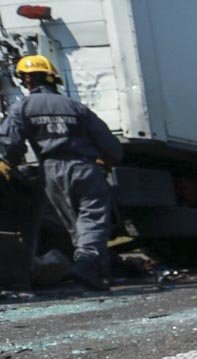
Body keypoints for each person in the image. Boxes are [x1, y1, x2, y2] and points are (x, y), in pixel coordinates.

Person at [0, 54, 123, 290]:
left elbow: (10, 142)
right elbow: (110, 144)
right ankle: (87, 266)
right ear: (53, 78)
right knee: (92, 219)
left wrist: (6, 162)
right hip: (85, 167)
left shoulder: (22, 107)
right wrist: (107, 160)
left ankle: (93, 272)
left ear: (26, 80)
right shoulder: (76, 107)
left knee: (73, 224)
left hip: (51, 173)